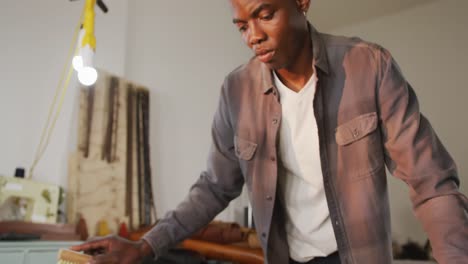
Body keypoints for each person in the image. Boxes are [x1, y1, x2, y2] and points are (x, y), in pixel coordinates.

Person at [71, 0, 468, 263]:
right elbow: (213, 187)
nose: (253, 36)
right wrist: (145, 246)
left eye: (265, 14)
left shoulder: (369, 67)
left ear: (301, 1)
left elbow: (431, 182)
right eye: (241, 25)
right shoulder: (236, 91)